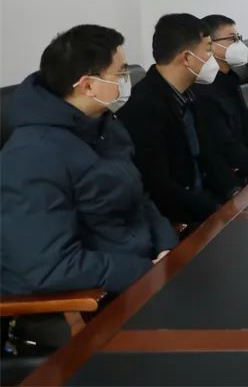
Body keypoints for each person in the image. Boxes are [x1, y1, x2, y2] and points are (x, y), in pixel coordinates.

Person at [1, 25, 177, 296]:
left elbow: (139, 199)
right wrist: (144, 271)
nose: (126, 81)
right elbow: (50, 268)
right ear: (88, 85)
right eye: (120, 73)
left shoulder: (104, 126)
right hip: (93, 299)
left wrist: (167, 245)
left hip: (140, 272)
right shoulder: (32, 156)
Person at [120, 14, 241, 226]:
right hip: (180, 217)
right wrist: (215, 211)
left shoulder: (189, 93)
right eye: (208, 50)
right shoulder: (143, 107)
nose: (212, 58)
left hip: (207, 202)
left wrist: (235, 192)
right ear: (186, 58)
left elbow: (208, 154)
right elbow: (159, 185)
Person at [191, 15, 248, 183]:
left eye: (239, 38)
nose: (239, 44)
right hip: (229, 175)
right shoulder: (203, 88)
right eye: (232, 39)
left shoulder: (230, 79)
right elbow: (225, 145)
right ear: (210, 45)